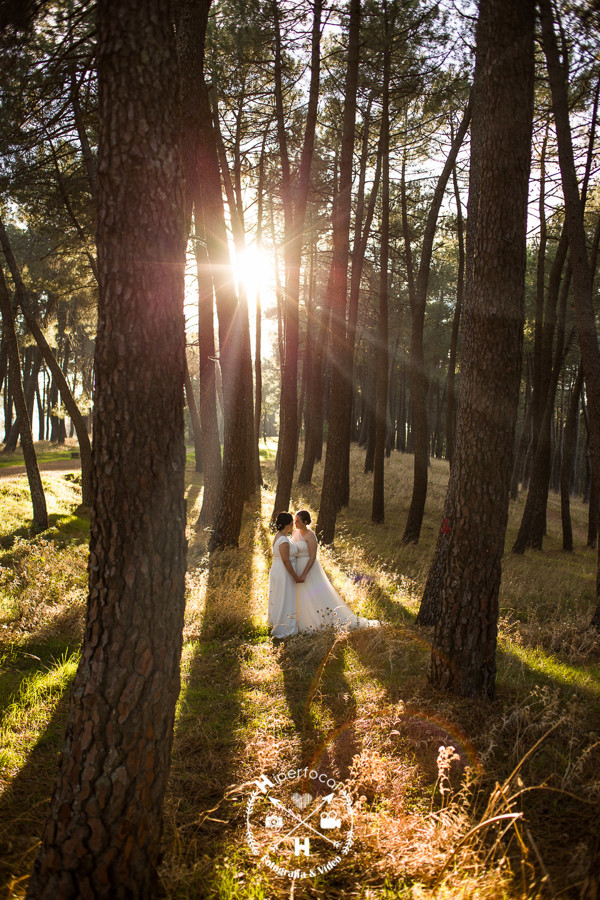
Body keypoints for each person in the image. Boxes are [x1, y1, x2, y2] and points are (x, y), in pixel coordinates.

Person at [292, 509, 378, 631]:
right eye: (295, 521)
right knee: (299, 594)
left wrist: (305, 573)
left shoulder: (310, 535)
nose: (295, 523)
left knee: (312, 593)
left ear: (305, 522)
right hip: (297, 566)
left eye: (298, 521)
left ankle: (316, 621)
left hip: (308, 567)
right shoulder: (294, 533)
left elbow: (312, 556)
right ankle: (300, 620)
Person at [268, 511, 304, 638]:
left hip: (277, 570)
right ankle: (284, 627)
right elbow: (285, 560)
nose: (293, 524)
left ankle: (279, 622)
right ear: (288, 524)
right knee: (285, 597)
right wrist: (295, 576)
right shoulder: (283, 539)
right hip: (283, 572)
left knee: (280, 597)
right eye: (292, 522)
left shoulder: (279, 535)